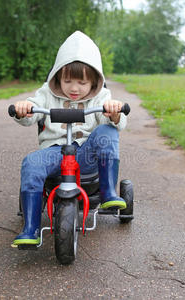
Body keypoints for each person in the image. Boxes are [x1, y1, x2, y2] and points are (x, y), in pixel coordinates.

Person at [12, 31, 127, 246]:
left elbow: (116, 123)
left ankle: (109, 191)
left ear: (94, 81)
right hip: (55, 154)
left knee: (108, 132)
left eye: (82, 83)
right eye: (68, 80)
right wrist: (24, 110)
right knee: (31, 163)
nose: (74, 88)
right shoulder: (47, 93)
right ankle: (30, 228)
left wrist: (113, 113)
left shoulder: (102, 96)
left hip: (86, 156)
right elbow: (32, 113)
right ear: (57, 76)